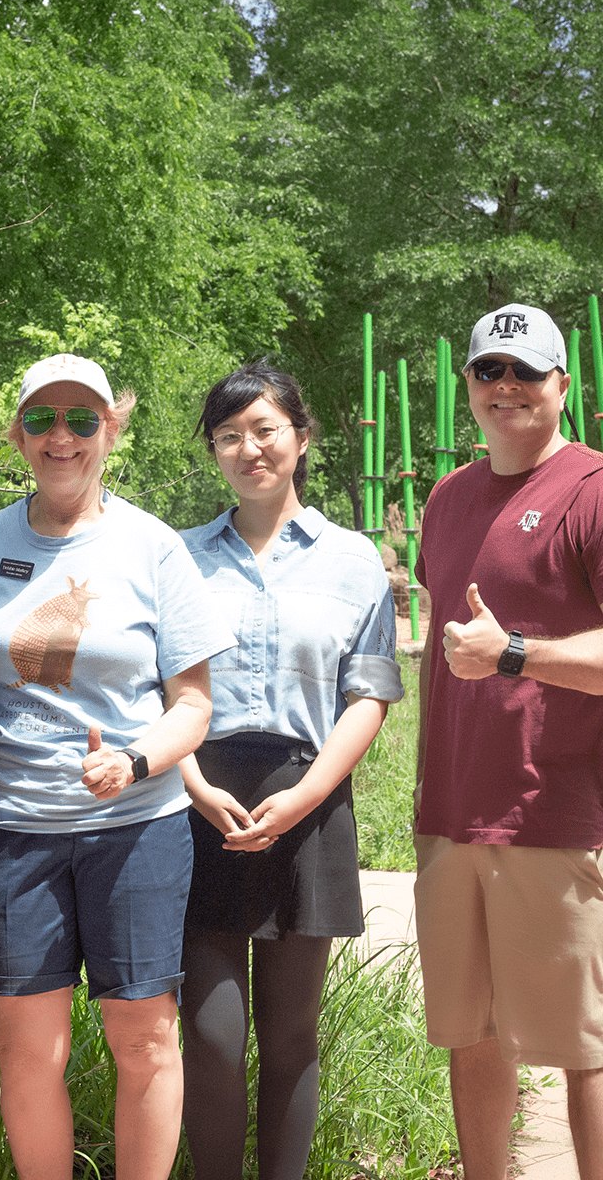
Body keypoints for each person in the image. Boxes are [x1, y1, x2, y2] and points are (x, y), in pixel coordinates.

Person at [0, 352, 235, 1180]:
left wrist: (138, 761)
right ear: (17, 435)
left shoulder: (152, 547)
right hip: (13, 831)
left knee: (144, 1036)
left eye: (83, 419)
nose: (62, 436)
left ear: (113, 429)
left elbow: (194, 708)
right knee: (26, 1049)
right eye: (42, 419)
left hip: (135, 829)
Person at [178, 360, 402, 1180]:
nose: (250, 448)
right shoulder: (179, 559)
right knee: (208, 1035)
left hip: (309, 800)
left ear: (301, 439)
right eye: (230, 435)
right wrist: (192, 784)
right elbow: (154, 689)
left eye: (266, 429)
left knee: (291, 1034)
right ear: (214, 452)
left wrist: (308, 794)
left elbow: (369, 694)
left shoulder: (354, 561)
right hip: (198, 797)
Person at [414, 303, 603, 1180]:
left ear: (565, 385)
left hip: (559, 811)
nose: (507, 388)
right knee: (471, 1029)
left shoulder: (592, 490)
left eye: (527, 371)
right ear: (469, 389)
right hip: (453, 810)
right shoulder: (447, 499)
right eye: (489, 372)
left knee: (585, 1043)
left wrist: (516, 653)